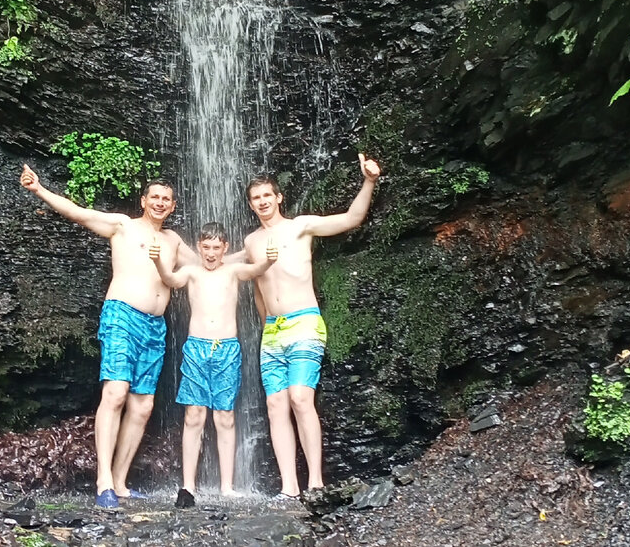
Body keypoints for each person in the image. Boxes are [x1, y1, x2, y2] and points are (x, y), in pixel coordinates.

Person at [19, 164, 192, 509]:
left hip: (156, 326)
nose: (160, 203)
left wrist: (258, 256)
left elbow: (211, 261)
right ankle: (103, 482)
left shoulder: (173, 241)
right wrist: (40, 190)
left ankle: (121, 482)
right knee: (115, 392)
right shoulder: (123, 226)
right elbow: (79, 214)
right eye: (154, 197)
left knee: (142, 405)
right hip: (122, 316)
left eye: (166, 200)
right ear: (144, 201)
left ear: (172, 207)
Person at [242, 153, 382, 497]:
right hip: (272, 330)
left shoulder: (300, 226)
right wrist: (265, 326)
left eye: (266, 196)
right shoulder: (250, 243)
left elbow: (352, 218)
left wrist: (369, 181)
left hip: (304, 322)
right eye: (255, 198)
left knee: (301, 398)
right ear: (251, 204)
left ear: (278, 198)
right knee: (276, 405)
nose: (262, 202)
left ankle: (316, 481)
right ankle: (289, 487)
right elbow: (258, 289)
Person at [149, 222, 278, 506]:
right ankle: (188, 486)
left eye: (216, 248)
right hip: (196, 348)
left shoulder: (232, 271)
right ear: (198, 247)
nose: (210, 253)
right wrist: (158, 261)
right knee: (194, 416)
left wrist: (268, 258)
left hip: (227, 349)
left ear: (225, 248)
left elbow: (256, 270)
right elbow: (171, 280)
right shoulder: (192, 271)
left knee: (224, 416)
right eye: (205, 247)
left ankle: (227, 486)